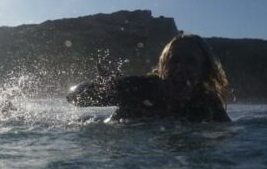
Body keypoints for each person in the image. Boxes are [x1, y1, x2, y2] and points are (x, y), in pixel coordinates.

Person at [67, 34, 231, 122]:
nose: (180, 69)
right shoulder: (143, 88)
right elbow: (73, 98)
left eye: (190, 62)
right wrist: (103, 88)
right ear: (163, 66)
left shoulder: (206, 102)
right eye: (174, 61)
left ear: (204, 71)